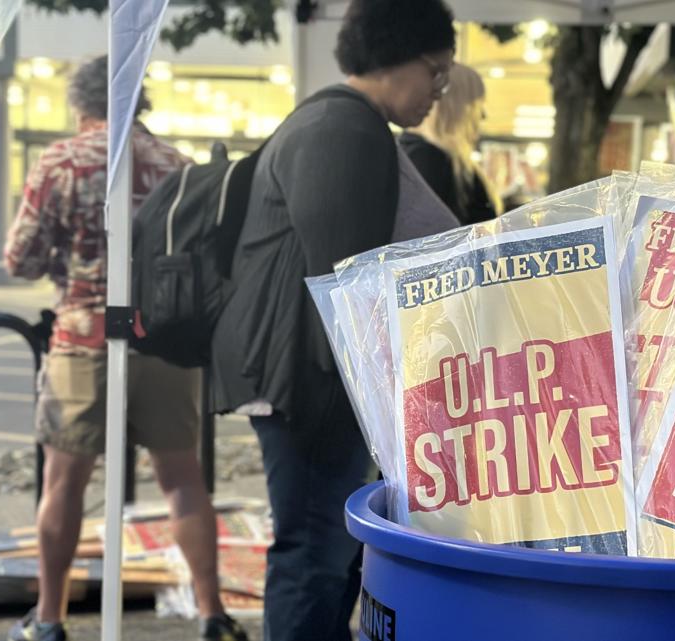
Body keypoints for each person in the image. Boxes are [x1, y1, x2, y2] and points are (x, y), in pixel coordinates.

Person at [210, 1, 458, 639]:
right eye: (436, 71)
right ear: (394, 54)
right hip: (312, 383)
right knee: (314, 555)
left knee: (327, 552)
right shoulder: (340, 129)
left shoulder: (350, 123)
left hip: (316, 380)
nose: (440, 90)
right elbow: (347, 284)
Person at [3, 56, 246, 641]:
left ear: (80, 104)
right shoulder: (176, 166)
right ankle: (213, 614)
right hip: (162, 340)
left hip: (83, 339)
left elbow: (21, 257)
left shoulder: (61, 161)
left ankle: (50, 620)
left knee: (64, 482)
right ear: (141, 102)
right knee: (183, 479)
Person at [400, 63, 504, 224]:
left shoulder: (425, 156)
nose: (483, 116)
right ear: (457, 107)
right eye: (477, 106)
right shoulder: (430, 159)